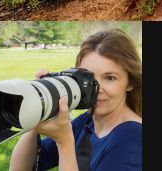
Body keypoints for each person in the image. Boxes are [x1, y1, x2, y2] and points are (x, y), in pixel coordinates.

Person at [9, 29, 142, 171]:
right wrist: (39, 111)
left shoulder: (133, 137)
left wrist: (64, 142)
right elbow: (21, 168)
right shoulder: (86, 123)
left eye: (110, 78)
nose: (96, 89)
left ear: (130, 82)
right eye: (88, 78)